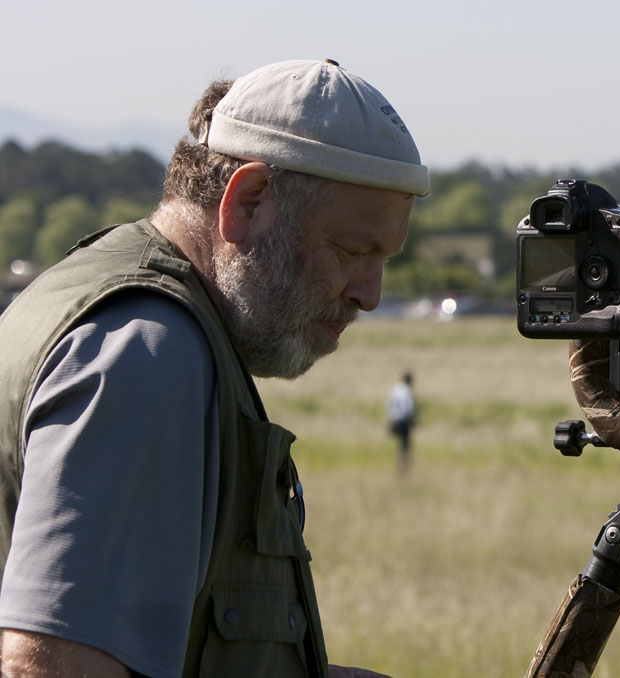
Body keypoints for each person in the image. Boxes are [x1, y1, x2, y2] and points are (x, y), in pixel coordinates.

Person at [0, 58, 429, 678]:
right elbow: (52, 666)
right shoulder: (146, 350)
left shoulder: (112, 303)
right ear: (248, 201)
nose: (370, 293)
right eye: (352, 250)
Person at [386, 372, 416, 474]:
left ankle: (400, 467)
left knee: (399, 446)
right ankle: (403, 468)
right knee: (404, 446)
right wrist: (412, 420)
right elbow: (407, 407)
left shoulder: (395, 389)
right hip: (403, 421)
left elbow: (389, 404)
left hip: (394, 420)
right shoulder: (406, 391)